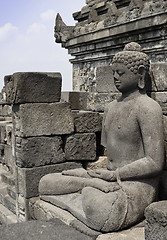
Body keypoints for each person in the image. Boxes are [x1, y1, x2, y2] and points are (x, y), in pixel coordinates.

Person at [39, 42, 164, 232]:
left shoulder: (147, 107)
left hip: (136, 184)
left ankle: (87, 191)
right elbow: (109, 156)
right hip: (106, 177)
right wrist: (99, 176)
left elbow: (155, 162)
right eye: (114, 72)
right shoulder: (111, 107)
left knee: (101, 210)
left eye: (121, 73)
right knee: (46, 182)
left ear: (140, 73)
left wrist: (116, 175)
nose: (115, 77)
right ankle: (89, 185)